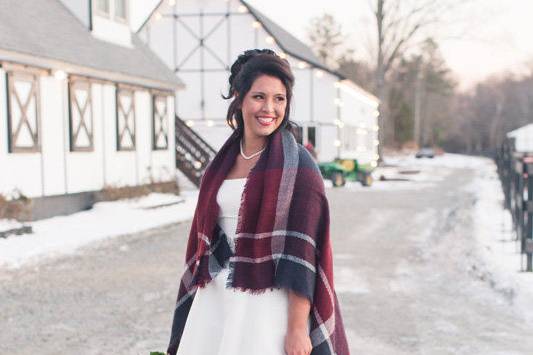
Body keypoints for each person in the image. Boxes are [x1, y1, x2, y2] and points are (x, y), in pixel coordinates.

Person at [166, 49, 349, 355]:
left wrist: (295, 329)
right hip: (216, 299)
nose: (270, 108)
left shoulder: (299, 167)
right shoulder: (220, 164)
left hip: (267, 305)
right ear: (239, 98)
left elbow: (304, 254)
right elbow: (207, 238)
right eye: (259, 97)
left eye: (279, 98)